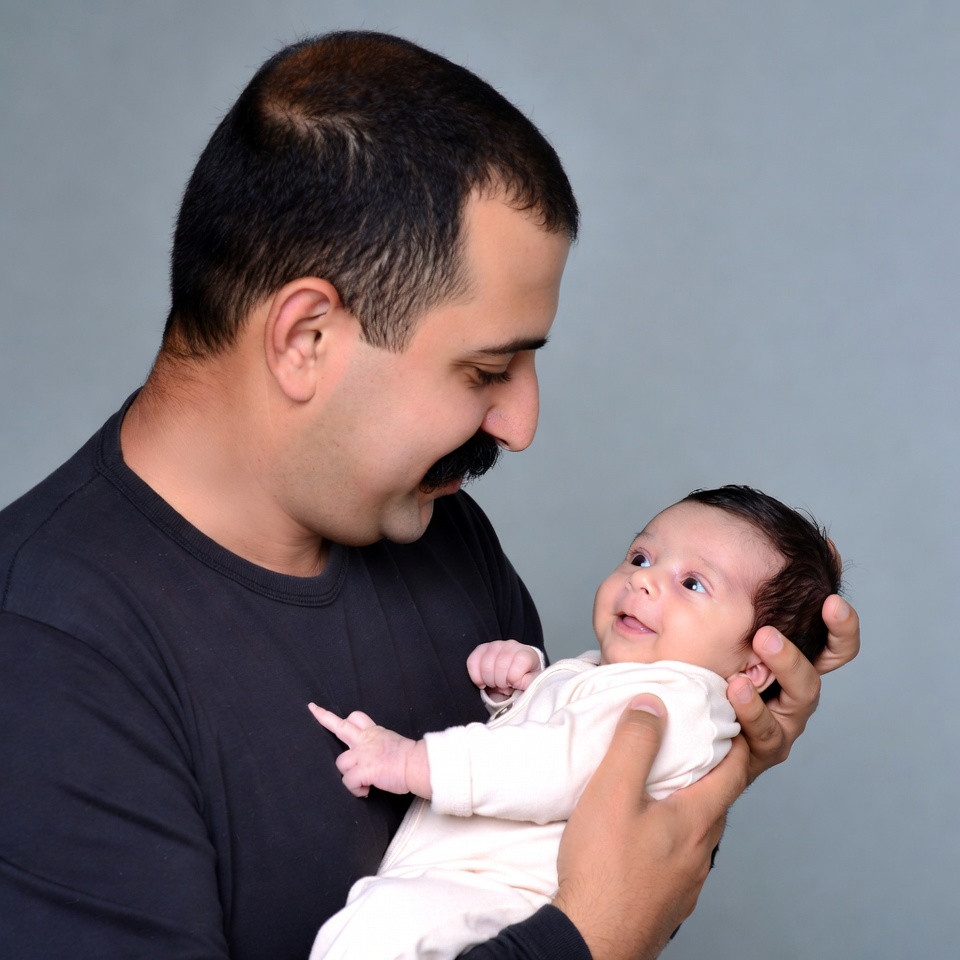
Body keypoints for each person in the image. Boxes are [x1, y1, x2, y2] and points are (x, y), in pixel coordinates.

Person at [0, 30, 859, 960]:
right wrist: (588, 943)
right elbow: (599, 915)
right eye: (487, 369)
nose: (521, 423)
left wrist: (717, 744)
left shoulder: (447, 540)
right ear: (306, 340)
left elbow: (581, 856)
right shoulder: (45, 652)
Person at [308, 485, 843, 959]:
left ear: (755, 666)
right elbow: (566, 729)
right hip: (475, 888)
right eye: (640, 557)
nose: (644, 580)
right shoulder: (620, 676)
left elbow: (554, 765)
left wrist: (412, 762)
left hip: (507, 898)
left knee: (379, 927)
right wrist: (519, 687)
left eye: (693, 583)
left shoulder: (682, 704)